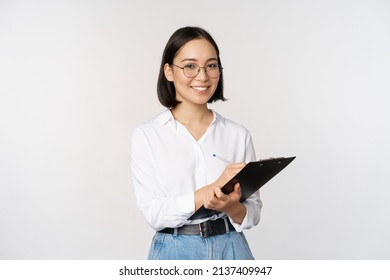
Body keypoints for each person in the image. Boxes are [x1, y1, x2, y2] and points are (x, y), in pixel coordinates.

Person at [130, 26, 262, 260]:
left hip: (231, 249)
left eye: (211, 65)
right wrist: (209, 191)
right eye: (190, 66)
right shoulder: (147, 135)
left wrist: (231, 207)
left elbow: (253, 212)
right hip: (174, 250)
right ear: (169, 71)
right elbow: (154, 214)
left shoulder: (237, 134)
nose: (203, 76)